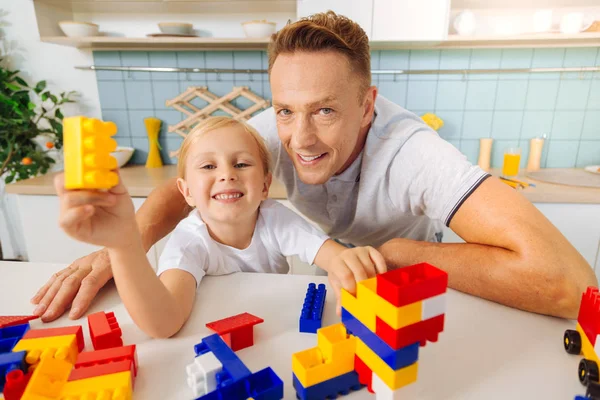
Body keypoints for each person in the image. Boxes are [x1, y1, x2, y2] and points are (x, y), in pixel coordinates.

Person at [33, 11, 596, 323]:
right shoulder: (272, 130)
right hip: (331, 283)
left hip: (409, 298)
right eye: (285, 110)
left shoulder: (414, 154)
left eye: (325, 110)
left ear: (367, 105)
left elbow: (570, 285)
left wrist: (397, 253)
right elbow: (181, 189)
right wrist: (115, 252)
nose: (299, 140)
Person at [55, 117, 386, 338]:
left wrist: (350, 264)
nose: (227, 174)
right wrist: (124, 245)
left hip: (273, 331)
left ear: (265, 185)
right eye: (208, 166)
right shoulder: (189, 241)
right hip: (216, 337)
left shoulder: (276, 218)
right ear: (186, 192)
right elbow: (164, 322)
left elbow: (334, 257)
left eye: (241, 164)